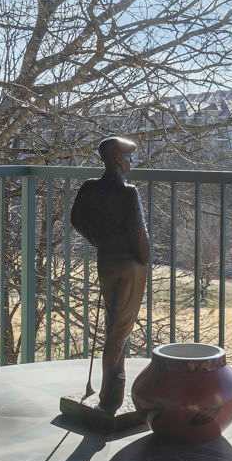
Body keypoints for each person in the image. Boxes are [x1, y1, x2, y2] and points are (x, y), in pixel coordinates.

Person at [69, 135, 150, 413]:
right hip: (130, 266)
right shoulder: (129, 193)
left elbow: (76, 219)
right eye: (129, 157)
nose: (132, 162)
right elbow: (139, 234)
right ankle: (110, 396)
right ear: (117, 159)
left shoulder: (90, 188)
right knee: (119, 331)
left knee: (113, 321)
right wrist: (145, 259)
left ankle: (110, 391)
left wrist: (100, 241)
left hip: (107, 261)